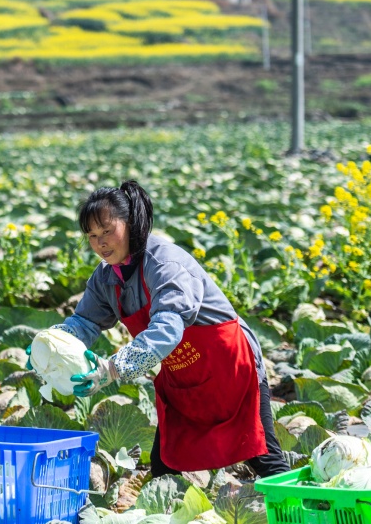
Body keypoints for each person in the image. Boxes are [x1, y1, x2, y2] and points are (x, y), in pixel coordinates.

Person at [35, 180, 289, 478]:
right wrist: (49, 345)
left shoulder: (164, 263)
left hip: (231, 367)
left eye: (107, 231)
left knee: (263, 455)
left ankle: (305, 510)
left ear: (130, 224)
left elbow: (167, 329)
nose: (100, 243)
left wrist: (112, 369)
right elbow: (85, 322)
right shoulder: (106, 278)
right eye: (92, 235)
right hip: (184, 377)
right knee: (165, 465)